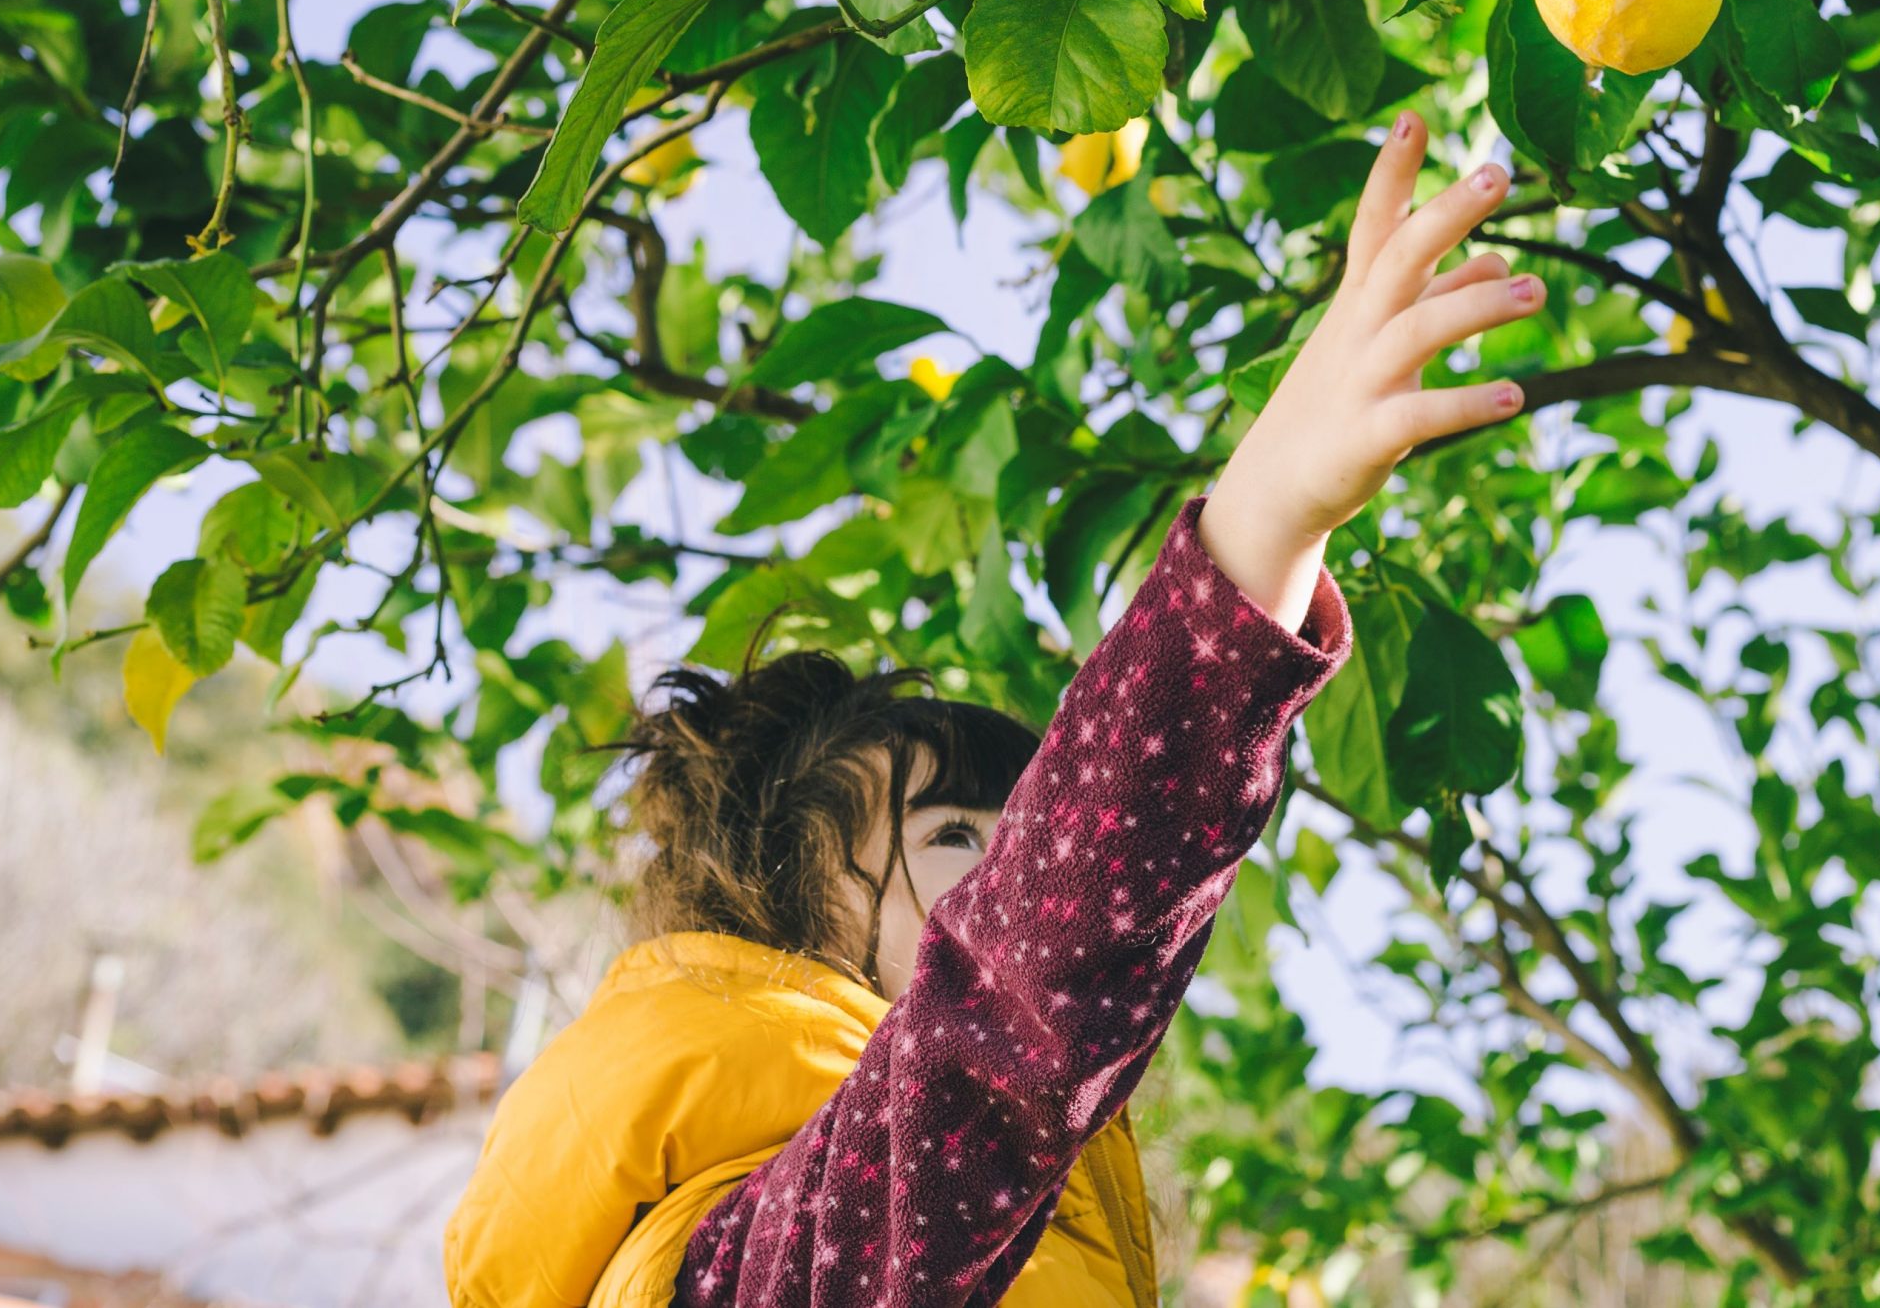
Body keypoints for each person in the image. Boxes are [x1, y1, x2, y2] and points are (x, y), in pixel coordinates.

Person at [445, 114, 1545, 1308]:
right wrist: (1257, 536)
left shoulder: (984, 1218)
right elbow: (996, 1028)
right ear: (784, 906)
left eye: (1010, 836)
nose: (1016, 869)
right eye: (954, 836)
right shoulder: (747, 1267)